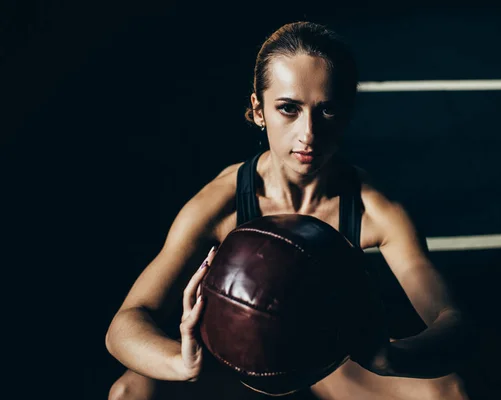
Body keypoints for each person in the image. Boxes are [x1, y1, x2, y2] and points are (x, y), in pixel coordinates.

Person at [105, 21, 476, 400]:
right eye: (288, 109)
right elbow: (125, 323)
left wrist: (390, 357)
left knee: (449, 392)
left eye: (327, 110)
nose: (308, 133)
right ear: (259, 110)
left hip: (330, 363)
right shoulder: (221, 203)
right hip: (238, 363)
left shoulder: (374, 210)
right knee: (129, 392)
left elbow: (452, 320)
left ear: (347, 114)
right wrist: (179, 362)